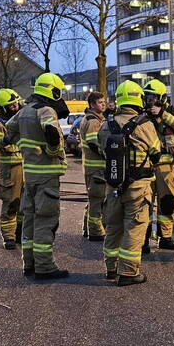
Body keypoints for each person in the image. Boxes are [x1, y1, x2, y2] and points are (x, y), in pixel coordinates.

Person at [5, 73, 69, 280]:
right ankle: (45, 267)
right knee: (46, 220)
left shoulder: (24, 111)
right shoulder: (46, 110)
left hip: (30, 174)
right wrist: (52, 150)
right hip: (47, 175)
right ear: (54, 91)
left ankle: (29, 263)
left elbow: (9, 131)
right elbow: (51, 131)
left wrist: (24, 145)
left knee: (30, 219)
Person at [97, 80, 161, 287]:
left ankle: (111, 268)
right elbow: (156, 152)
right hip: (138, 186)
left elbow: (100, 148)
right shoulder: (145, 124)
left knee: (113, 227)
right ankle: (128, 273)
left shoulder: (106, 124)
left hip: (113, 185)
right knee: (134, 227)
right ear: (138, 99)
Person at [143, 79, 174, 251]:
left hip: (166, 168)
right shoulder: (142, 115)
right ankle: (143, 239)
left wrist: (163, 114)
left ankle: (166, 237)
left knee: (167, 202)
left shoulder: (172, 113)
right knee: (144, 202)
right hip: (146, 166)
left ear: (162, 98)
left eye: (153, 97)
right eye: (147, 97)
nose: (150, 101)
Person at [0, 89, 24, 250]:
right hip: (10, 168)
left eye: (16, 103)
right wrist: (5, 140)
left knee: (25, 203)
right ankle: (9, 236)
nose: (15, 106)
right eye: (11, 105)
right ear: (3, 107)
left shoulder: (22, 118)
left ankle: (20, 233)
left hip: (27, 166)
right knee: (11, 203)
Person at [79, 91, 108, 241]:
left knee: (93, 199)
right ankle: (95, 231)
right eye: (99, 102)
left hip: (92, 167)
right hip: (96, 168)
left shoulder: (94, 118)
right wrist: (109, 154)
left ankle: (87, 227)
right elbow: (94, 143)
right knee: (97, 199)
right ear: (91, 105)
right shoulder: (93, 121)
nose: (103, 104)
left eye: (104, 101)